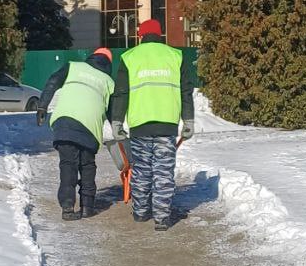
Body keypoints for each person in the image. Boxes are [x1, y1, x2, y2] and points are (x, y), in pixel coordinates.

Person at [109, 19, 194, 231]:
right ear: (160, 34)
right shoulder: (175, 56)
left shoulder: (130, 57)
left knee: (142, 170)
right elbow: (186, 91)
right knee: (163, 171)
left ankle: (140, 213)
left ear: (141, 36)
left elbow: (121, 93)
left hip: (140, 126)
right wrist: (189, 119)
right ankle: (162, 218)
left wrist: (117, 121)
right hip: (167, 125)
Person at [37, 48, 115, 221]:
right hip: (90, 126)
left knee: (68, 164)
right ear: (108, 64)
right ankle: (87, 207)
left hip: (64, 121)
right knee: (87, 165)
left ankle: (67, 206)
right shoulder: (109, 82)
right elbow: (113, 112)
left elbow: (53, 81)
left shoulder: (73, 66)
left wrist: (42, 106)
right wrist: (119, 131)